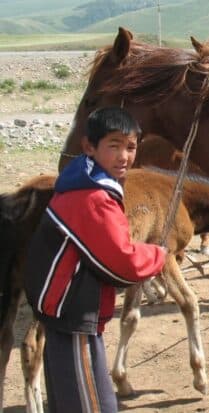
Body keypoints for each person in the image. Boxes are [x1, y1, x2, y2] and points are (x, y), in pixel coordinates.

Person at [24, 107, 167, 413]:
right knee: (93, 406)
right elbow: (123, 262)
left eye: (130, 147)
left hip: (63, 311)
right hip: (72, 316)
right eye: (113, 146)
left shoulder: (82, 184)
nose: (123, 157)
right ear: (89, 147)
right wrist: (158, 255)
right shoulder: (93, 199)